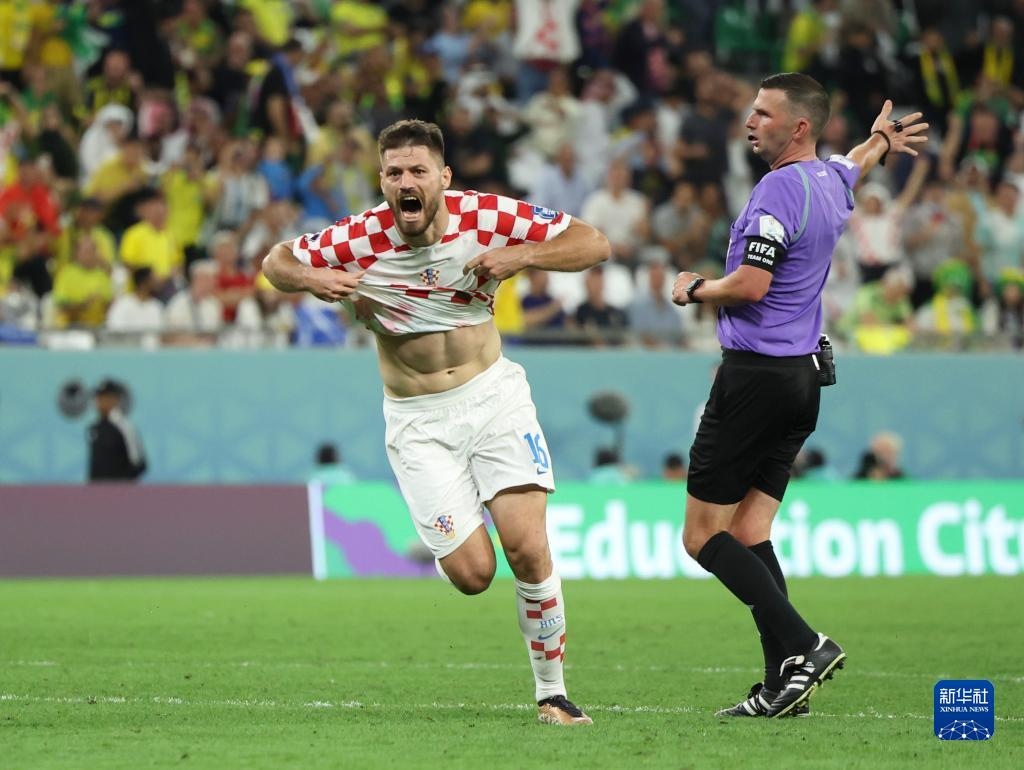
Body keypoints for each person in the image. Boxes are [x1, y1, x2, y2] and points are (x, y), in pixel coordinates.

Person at [262, 119, 610, 725]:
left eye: (418, 171)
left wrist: (522, 255)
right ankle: (453, 538)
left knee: (528, 549)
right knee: (474, 575)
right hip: (418, 421)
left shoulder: (487, 217)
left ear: (443, 177)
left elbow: (594, 243)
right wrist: (315, 278)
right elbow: (275, 261)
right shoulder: (359, 238)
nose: (406, 182)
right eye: (394, 173)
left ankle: (552, 693)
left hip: (494, 398)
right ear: (382, 181)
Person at [670, 73, 927, 719]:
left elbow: (751, 285)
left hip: (755, 379)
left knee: (702, 537)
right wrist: (880, 141)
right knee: (750, 530)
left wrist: (695, 288)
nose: (750, 121)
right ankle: (781, 685)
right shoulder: (828, 180)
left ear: (799, 127)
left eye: (764, 113)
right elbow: (855, 162)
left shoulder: (779, 190)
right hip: (802, 380)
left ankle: (807, 646)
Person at [88, 379, 147, 481]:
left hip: (120, 490)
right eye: (98, 397)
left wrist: (119, 484)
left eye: (105, 397)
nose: (100, 401)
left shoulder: (125, 427)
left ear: (115, 399)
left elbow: (139, 463)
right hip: (96, 490)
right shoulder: (94, 427)